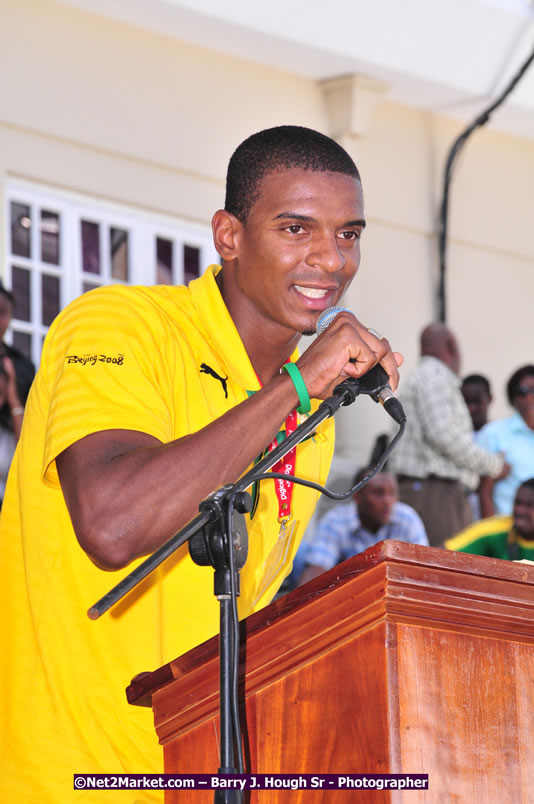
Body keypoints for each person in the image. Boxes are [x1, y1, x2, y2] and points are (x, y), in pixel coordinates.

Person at [0, 125, 402, 801]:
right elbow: (113, 525)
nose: (330, 260)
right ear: (229, 235)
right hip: (62, 772)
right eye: (297, 229)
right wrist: (297, 386)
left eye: (349, 234)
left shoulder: (313, 419)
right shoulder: (118, 325)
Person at [388, 323, 507, 546]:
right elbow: (444, 435)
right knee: (442, 574)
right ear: (451, 347)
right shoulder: (435, 375)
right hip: (435, 495)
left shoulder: (422, 375)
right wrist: (495, 466)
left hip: (430, 492)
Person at [297, 468, 428, 585]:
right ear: (357, 496)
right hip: (348, 594)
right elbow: (318, 566)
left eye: (392, 493)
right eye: (378, 493)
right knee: (300, 553)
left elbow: (423, 570)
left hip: (395, 592)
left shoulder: (407, 519)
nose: (387, 501)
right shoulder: (336, 520)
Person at [477, 365, 534, 518]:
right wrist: (491, 536)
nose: (529, 397)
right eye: (523, 391)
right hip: (506, 532)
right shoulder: (494, 433)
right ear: (513, 396)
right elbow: (482, 491)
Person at [445, 478, 534, 561]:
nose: (520, 510)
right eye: (518, 503)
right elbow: (443, 555)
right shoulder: (495, 530)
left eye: (529, 505)